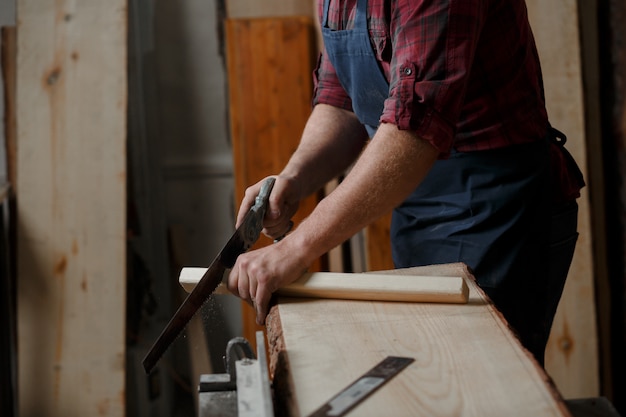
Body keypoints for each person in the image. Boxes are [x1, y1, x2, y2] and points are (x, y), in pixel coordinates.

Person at [226, 0, 585, 366]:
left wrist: (294, 249)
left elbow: (415, 131)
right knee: (433, 369)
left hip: (498, 210)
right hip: (418, 209)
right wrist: (295, 177)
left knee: (481, 379)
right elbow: (343, 98)